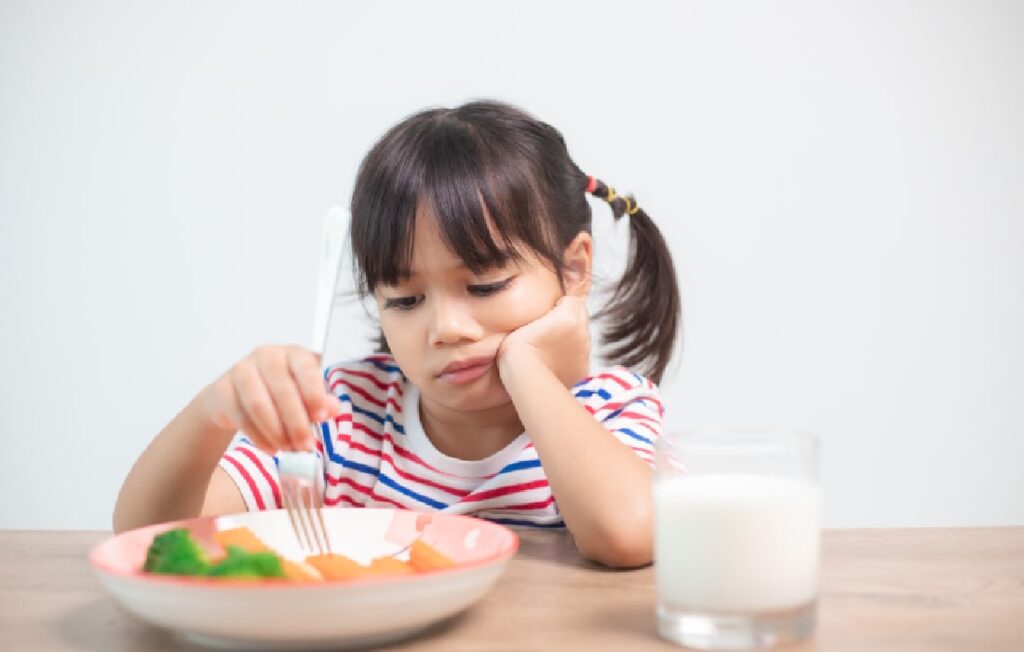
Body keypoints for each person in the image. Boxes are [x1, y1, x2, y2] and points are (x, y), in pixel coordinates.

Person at [113, 100, 680, 568]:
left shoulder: (611, 409)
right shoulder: (348, 418)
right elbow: (157, 538)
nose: (447, 329)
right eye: (406, 300)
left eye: (485, 286)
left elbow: (629, 535)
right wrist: (216, 408)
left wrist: (527, 366)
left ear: (574, 270)